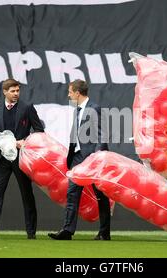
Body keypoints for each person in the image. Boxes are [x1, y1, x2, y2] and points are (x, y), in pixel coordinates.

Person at [0, 78, 45, 240]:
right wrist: (1, 142)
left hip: (22, 159)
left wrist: (25, 143)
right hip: (2, 159)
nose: (16, 94)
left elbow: (39, 131)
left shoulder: (27, 108)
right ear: (5, 92)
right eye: (12, 91)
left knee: (27, 195)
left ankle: (31, 233)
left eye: (18, 91)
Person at [48, 79, 111, 240]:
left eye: (70, 92)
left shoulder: (94, 108)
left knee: (100, 195)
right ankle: (67, 231)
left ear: (77, 93)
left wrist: (97, 157)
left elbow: (101, 134)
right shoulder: (77, 110)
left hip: (92, 158)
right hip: (77, 158)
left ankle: (104, 232)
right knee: (72, 193)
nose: (68, 95)